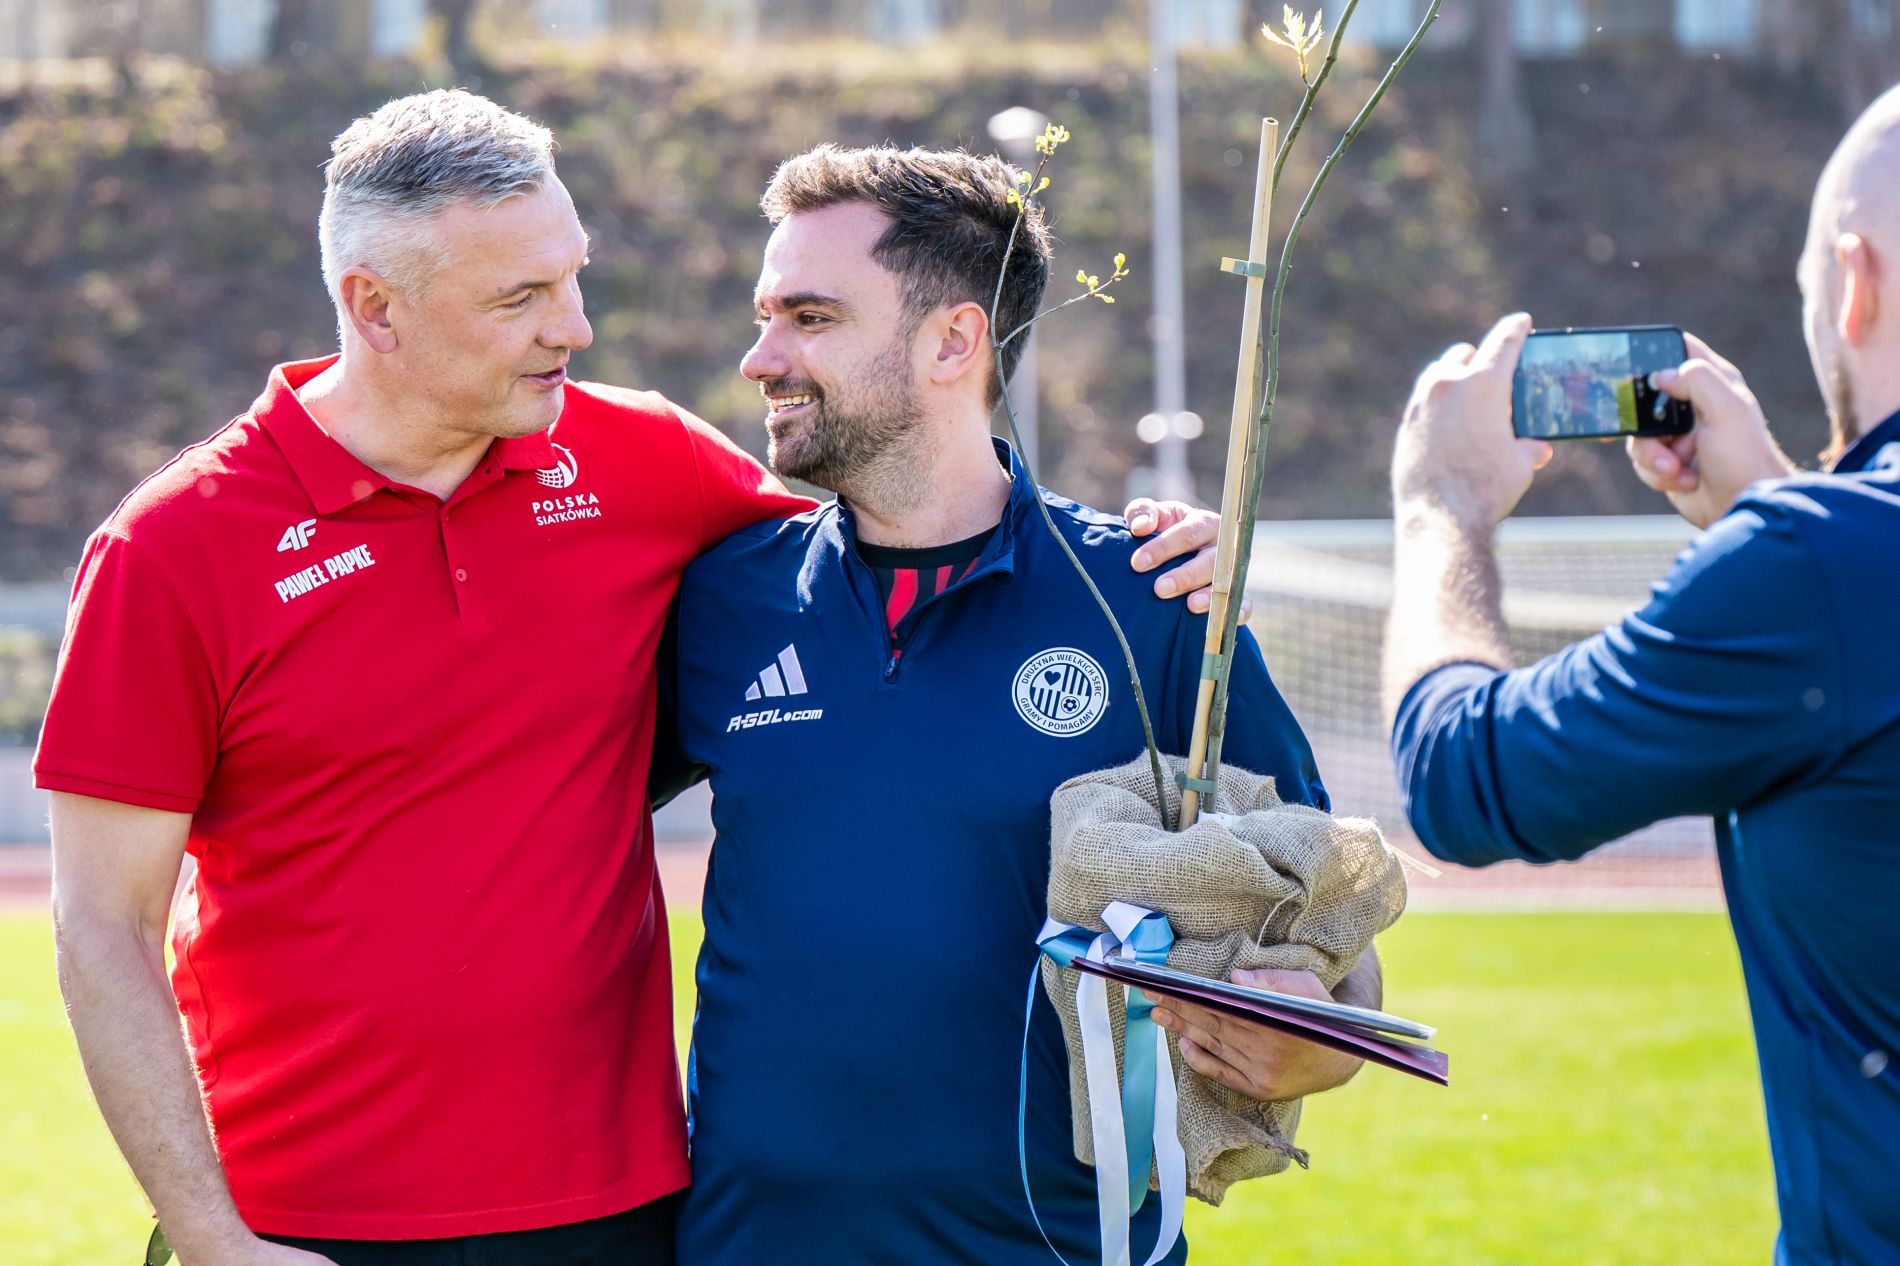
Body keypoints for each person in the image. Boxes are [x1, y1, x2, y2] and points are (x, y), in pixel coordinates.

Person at [38, 92, 1224, 1266]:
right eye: (521, 299)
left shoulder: (642, 462)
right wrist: (210, 1238)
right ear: (374, 308)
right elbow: (102, 922)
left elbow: (912, 521)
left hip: (619, 1211)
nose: (575, 327)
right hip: (298, 1224)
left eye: (572, 276)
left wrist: (1139, 553)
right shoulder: (173, 549)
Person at [661, 144, 1382, 1266]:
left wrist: (1310, 1039)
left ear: (953, 340)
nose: (760, 357)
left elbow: (1327, 932)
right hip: (743, 1247)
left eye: (809, 316)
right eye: (765, 314)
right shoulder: (721, 599)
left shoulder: (1153, 603)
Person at [1383, 87, 1900, 1266]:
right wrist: (1773, 505)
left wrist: (1440, 509)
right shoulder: (1818, 561)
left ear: (1852, 280)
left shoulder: (1818, 566)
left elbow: (1463, 778)